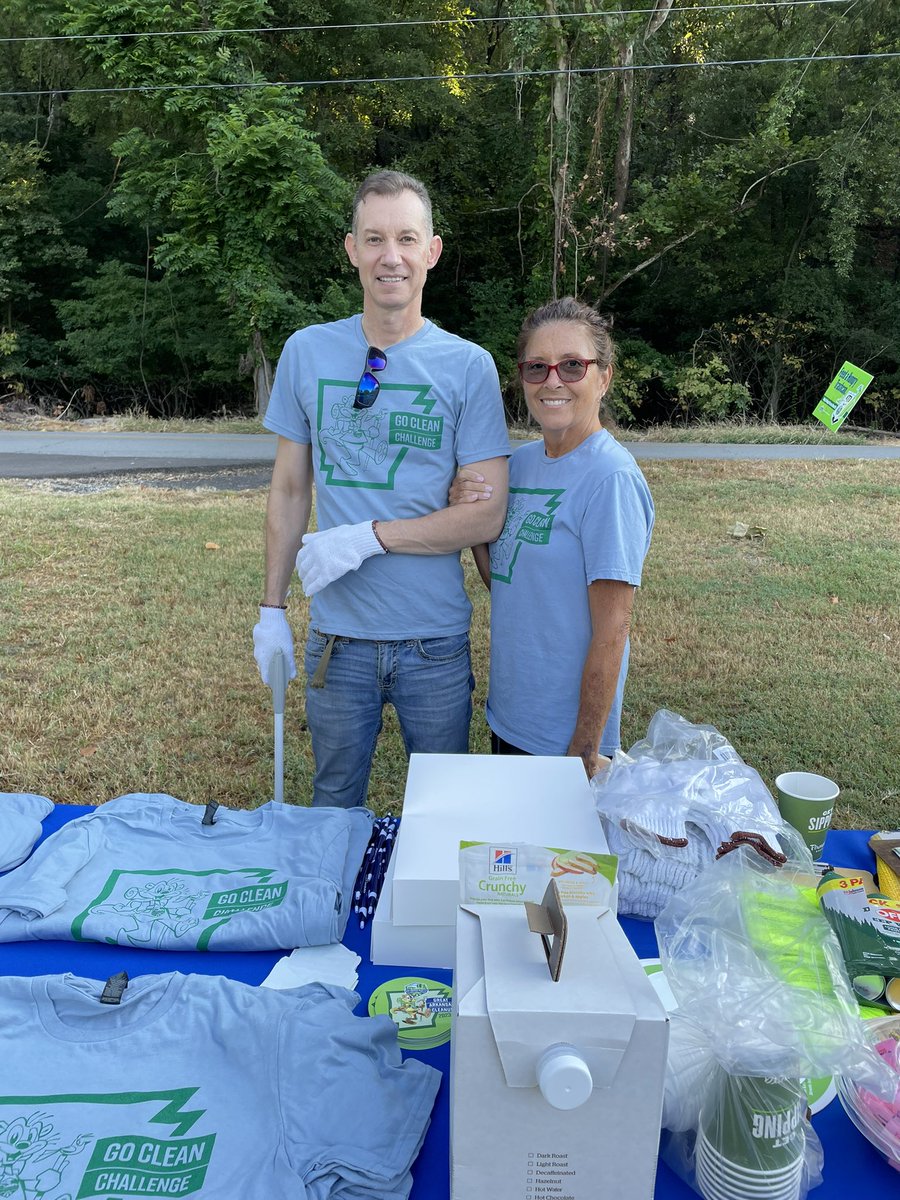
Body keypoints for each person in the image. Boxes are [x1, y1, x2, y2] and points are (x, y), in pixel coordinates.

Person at [252, 170, 510, 807]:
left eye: (405, 238)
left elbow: (484, 518)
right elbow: (289, 490)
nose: (389, 256)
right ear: (351, 250)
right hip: (337, 642)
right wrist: (271, 610)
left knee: (444, 809)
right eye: (374, 239)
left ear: (432, 252)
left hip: (435, 644)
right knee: (333, 801)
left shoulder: (468, 367)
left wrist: (366, 537)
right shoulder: (306, 353)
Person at [452, 296, 654, 779]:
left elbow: (612, 631)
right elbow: (510, 584)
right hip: (508, 716)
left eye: (572, 366)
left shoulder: (611, 479)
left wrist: (584, 748)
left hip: (562, 739)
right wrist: (473, 524)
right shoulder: (517, 466)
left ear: (604, 377)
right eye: (537, 367)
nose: (553, 381)